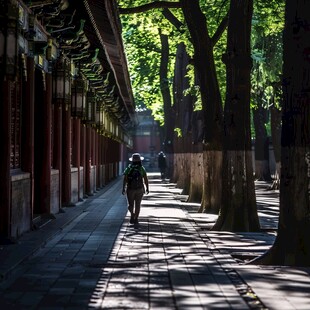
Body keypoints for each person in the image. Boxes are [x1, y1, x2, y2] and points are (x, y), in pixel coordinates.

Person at [122, 153, 149, 225]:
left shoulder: (129, 168)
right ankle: (136, 218)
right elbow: (145, 179)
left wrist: (123, 188)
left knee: (130, 205)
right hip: (140, 189)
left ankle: (132, 216)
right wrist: (147, 188)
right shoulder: (141, 168)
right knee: (138, 205)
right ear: (140, 160)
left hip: (130, 189)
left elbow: (125, 179)